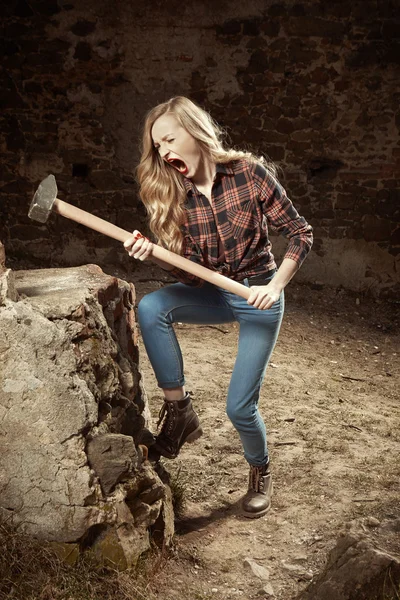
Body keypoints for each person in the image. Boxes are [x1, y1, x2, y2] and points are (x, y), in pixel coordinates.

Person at [124, 96, 313, 519]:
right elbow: (193, 276)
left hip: (259, 297)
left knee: (239, 407)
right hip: (216, 293)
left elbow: (301, 233)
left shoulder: (249, 173)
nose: (165, 151)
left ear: (194, 132)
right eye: (158, 147)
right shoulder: (176, 195)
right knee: (152, 306)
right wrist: (152, 255)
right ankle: (179, 411)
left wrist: (276, 285)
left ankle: (260, 470)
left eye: (170, 138)